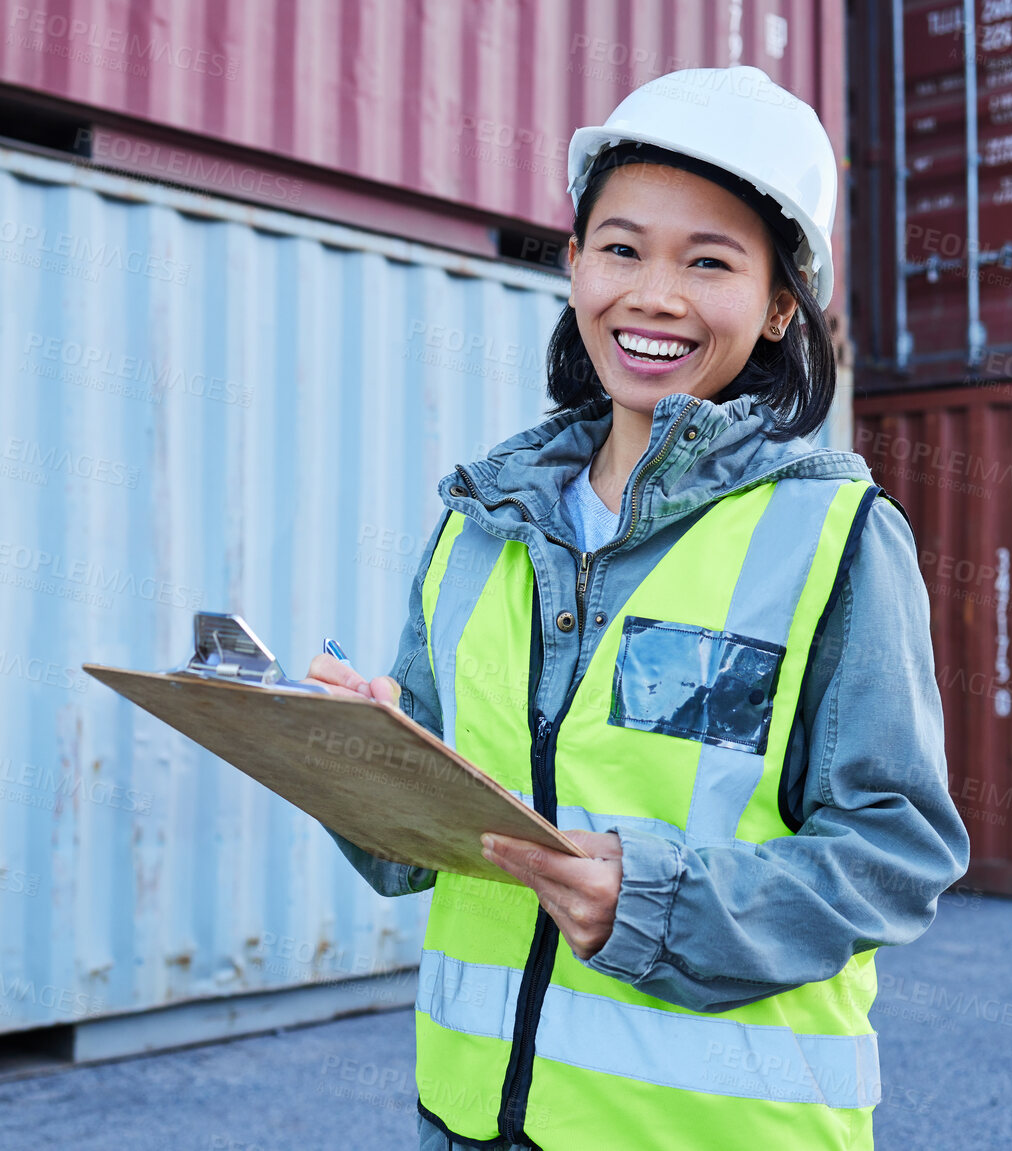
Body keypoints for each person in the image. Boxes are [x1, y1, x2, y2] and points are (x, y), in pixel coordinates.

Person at [307, 64, 969, 1151]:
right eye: (621, 248)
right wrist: (352, 756)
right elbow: (411, 852)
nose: (653, 295)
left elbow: (896, 851)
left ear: (777, 307)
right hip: (466, 1123)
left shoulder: (833, 535)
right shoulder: (478, 525)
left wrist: (659, 901)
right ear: (574, 265)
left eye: (708, 262)